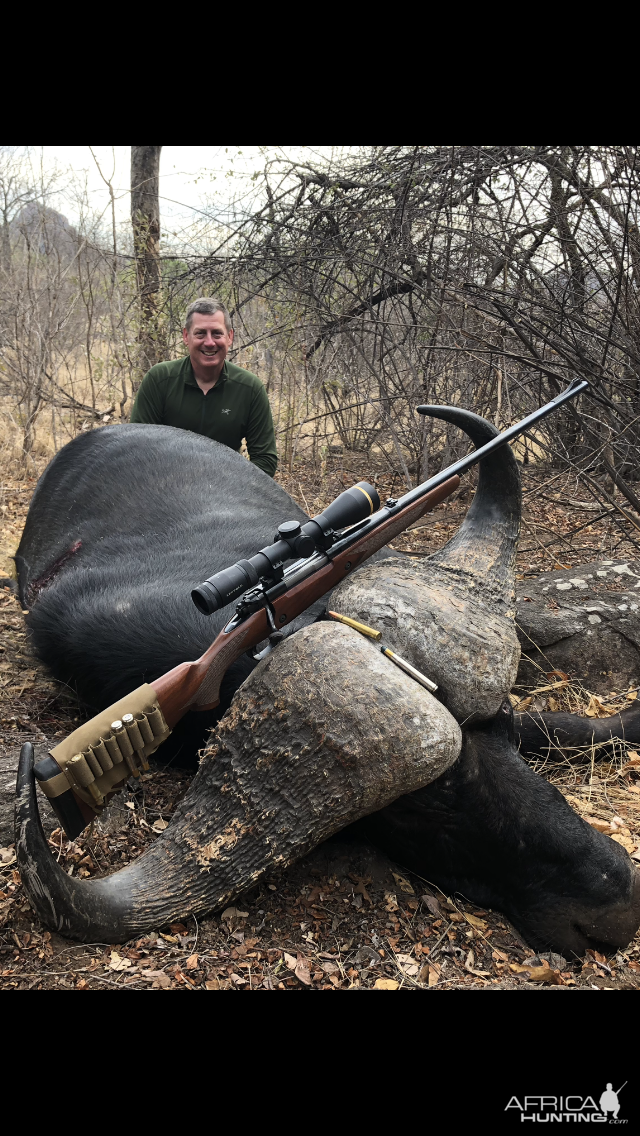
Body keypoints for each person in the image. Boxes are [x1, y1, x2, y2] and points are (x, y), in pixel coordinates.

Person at [130, 298, 277, 477]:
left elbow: (265, 460)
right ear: (186, 336)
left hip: (225, 492)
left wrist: (231, 490)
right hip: (166, 489)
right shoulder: (159, 380)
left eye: (217, 333)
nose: (209, 342)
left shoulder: (250, 388)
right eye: (200, 334)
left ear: (230, 336)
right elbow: (137, 450)